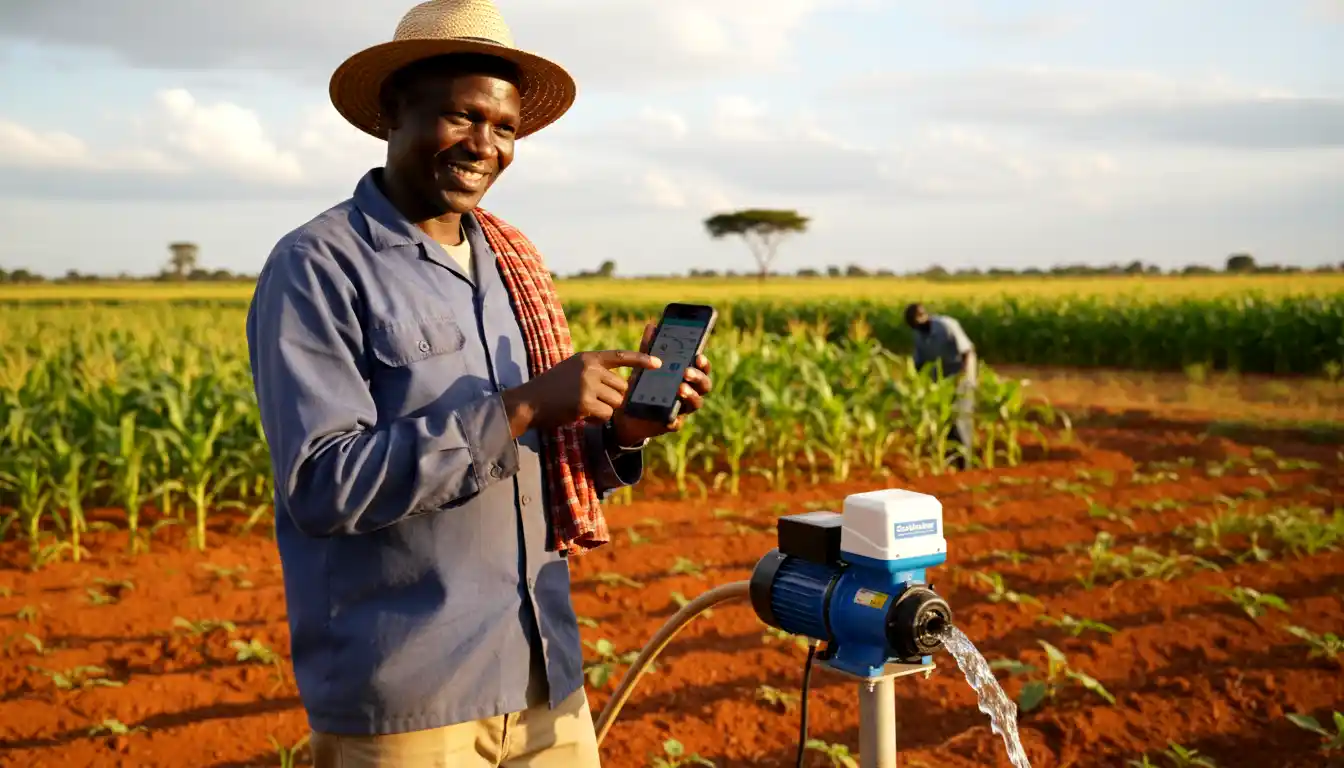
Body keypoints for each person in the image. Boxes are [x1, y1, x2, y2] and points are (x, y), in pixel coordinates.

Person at [244, 2, 714, 765]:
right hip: (409, 694)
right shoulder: (317, 266)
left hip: (544, 674)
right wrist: (523, 405)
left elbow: (535, 462)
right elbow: (323, 483)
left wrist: (624, 431)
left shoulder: (509, 263)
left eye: (504, 128)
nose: (485, 147)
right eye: (463, 117)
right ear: (394, 110)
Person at [905, 302, 977, 468]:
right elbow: (919, 363)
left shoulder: (947, 326)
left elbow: (967, 351)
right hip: (940, 381)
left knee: (960, 417)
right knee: (944, 420)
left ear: (923, 317)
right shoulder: (918, 334)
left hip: (961, 376)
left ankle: (965, 463)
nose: (917, 329)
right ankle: (949, 459)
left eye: (917, 324)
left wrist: (962, 377)